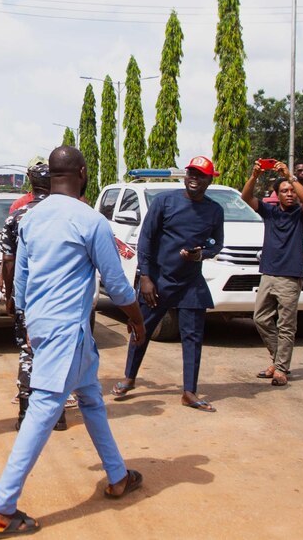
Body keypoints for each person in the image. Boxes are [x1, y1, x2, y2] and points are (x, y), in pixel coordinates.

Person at [0, 146, 146, 539]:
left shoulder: (30, 218)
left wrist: (27, 323)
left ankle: (117, 475)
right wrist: (138, 320)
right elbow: (116, 282)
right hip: (67, 329)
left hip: (50, 327)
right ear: (83, 173)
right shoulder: (91, 221)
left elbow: (21, 279)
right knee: (43, 409)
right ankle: (1, 506)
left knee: (90, 398)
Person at [111, 155, 224, 412]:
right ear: (186, 176)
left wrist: (201, 254)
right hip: (159, 280)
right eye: (191, 174)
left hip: (191, 283)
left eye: (201, 176)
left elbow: (217, 244)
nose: (194, 179)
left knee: (193, 337)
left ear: (209, 180)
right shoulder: (164, 202)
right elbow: (146, 238)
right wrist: (146, 277)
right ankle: (129, 377)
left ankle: (189, 392)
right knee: (141, 329)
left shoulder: (214, 210)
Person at [0, 157, 70, 431]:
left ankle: (25, 415)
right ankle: (58, 417)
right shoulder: (66, 214)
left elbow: (9, 261)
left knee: (28, 353)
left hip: (29, 299)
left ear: (31, 183)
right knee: (57, 354)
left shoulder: (17, 216)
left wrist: (12, 297)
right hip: (61, 298)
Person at [241, 160, 303, 387]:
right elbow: (246, 198)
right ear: (277, 195)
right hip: (268, 273)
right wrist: (254, 176)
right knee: (260, 318)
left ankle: (281, 368)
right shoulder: (270, 212)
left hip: (290, 276)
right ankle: (278, 360)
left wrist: (290, 176)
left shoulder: (301, 215)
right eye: (284, 191)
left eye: (292, 191)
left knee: (286, 325)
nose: (290, 194)